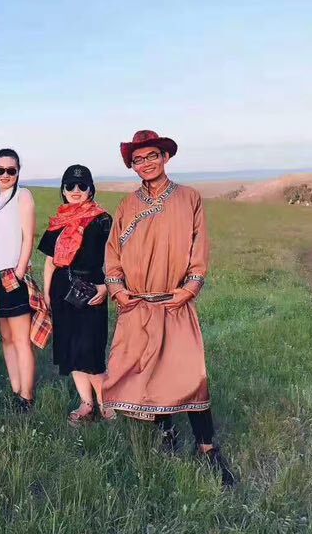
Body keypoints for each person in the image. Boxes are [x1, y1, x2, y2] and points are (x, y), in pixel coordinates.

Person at [99, 129, 235, 487]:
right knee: (150, 374)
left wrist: (189, 288)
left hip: (175, 302)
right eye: (138, 159)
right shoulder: (127, 205)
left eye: (152, 156)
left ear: (165, 157)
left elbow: (199, 248)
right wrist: (117, 289)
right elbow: (112, 254)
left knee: (191, 376)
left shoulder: (189, 198)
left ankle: (207, 448)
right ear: (132, 165)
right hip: (138, 304)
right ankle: (167, 433)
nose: (145, 163)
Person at [38, 165, 112, 425]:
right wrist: (47, 294)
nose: (76, 190)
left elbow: (116, 259)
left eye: (82, 185)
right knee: (70, 348)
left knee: (91, 349)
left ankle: (106, 404)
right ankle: (86, 403)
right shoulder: (58, 222)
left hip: (92, 288)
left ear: (91, 189)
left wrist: (107, 286)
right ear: (63, 189)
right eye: (70, 185)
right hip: (62, 288)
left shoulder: (102, 220)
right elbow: (50, 262)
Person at [0, 149, 38, 412]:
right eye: (0, 170)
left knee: (21, 339)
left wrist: (19, 271)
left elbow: (28, 237)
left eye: (11, 170)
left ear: (18, 171)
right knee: (6, 337)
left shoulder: (22, 195)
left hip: (12, 276)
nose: (5, 175)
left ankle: (27, 396)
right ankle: (15, 389)